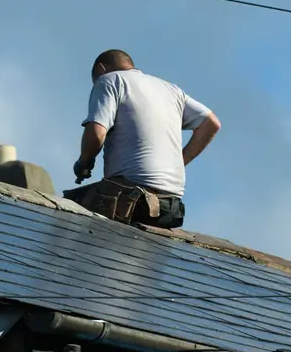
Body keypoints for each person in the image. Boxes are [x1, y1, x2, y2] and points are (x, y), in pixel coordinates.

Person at [71, 49, 221, 228]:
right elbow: (211, 123)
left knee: (67, 211)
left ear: (101, 69)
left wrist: (84, 162)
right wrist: (179, 162)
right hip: (170, 207)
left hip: (131, 198)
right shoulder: (172, 90)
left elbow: (97, 133)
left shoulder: (110, 80)